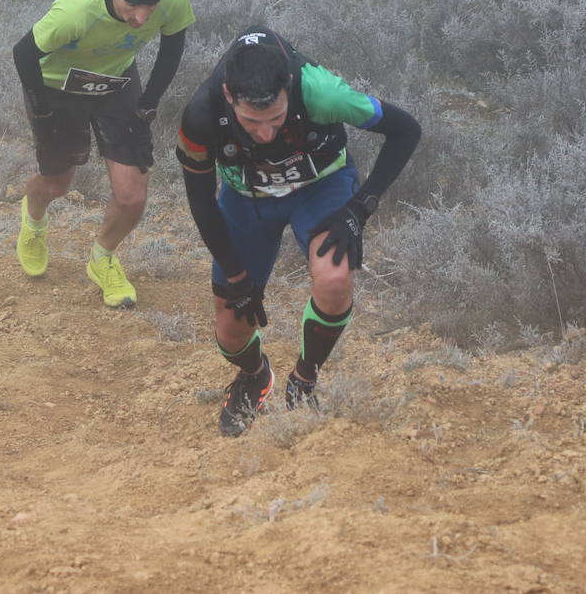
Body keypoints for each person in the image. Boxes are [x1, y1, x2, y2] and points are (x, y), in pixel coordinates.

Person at [176, 25, 422, 436]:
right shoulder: (201, 115)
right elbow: (201, 201)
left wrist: (361, 207)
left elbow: (406, 129)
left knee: (335, 276)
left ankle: (304, 379)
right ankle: (255, 376)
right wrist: (237, 275)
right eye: (252, 122)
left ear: (290, 87)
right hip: (246, 198)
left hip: (320, 186)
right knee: (231, 328)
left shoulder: (321, 93)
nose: (267, 133)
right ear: (229, 97)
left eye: (276, 117)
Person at [13, 0, 194, 308]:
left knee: (133, 196)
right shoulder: (75, 12)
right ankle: (33, 221)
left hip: (116, 83)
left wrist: (148, 104)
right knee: (56, 183)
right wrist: (42, 110)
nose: (141, 18)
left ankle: (103, 258)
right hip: (59, 86)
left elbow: (172, 48)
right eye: (132, 6)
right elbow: (24, 53)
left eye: (150, 7)